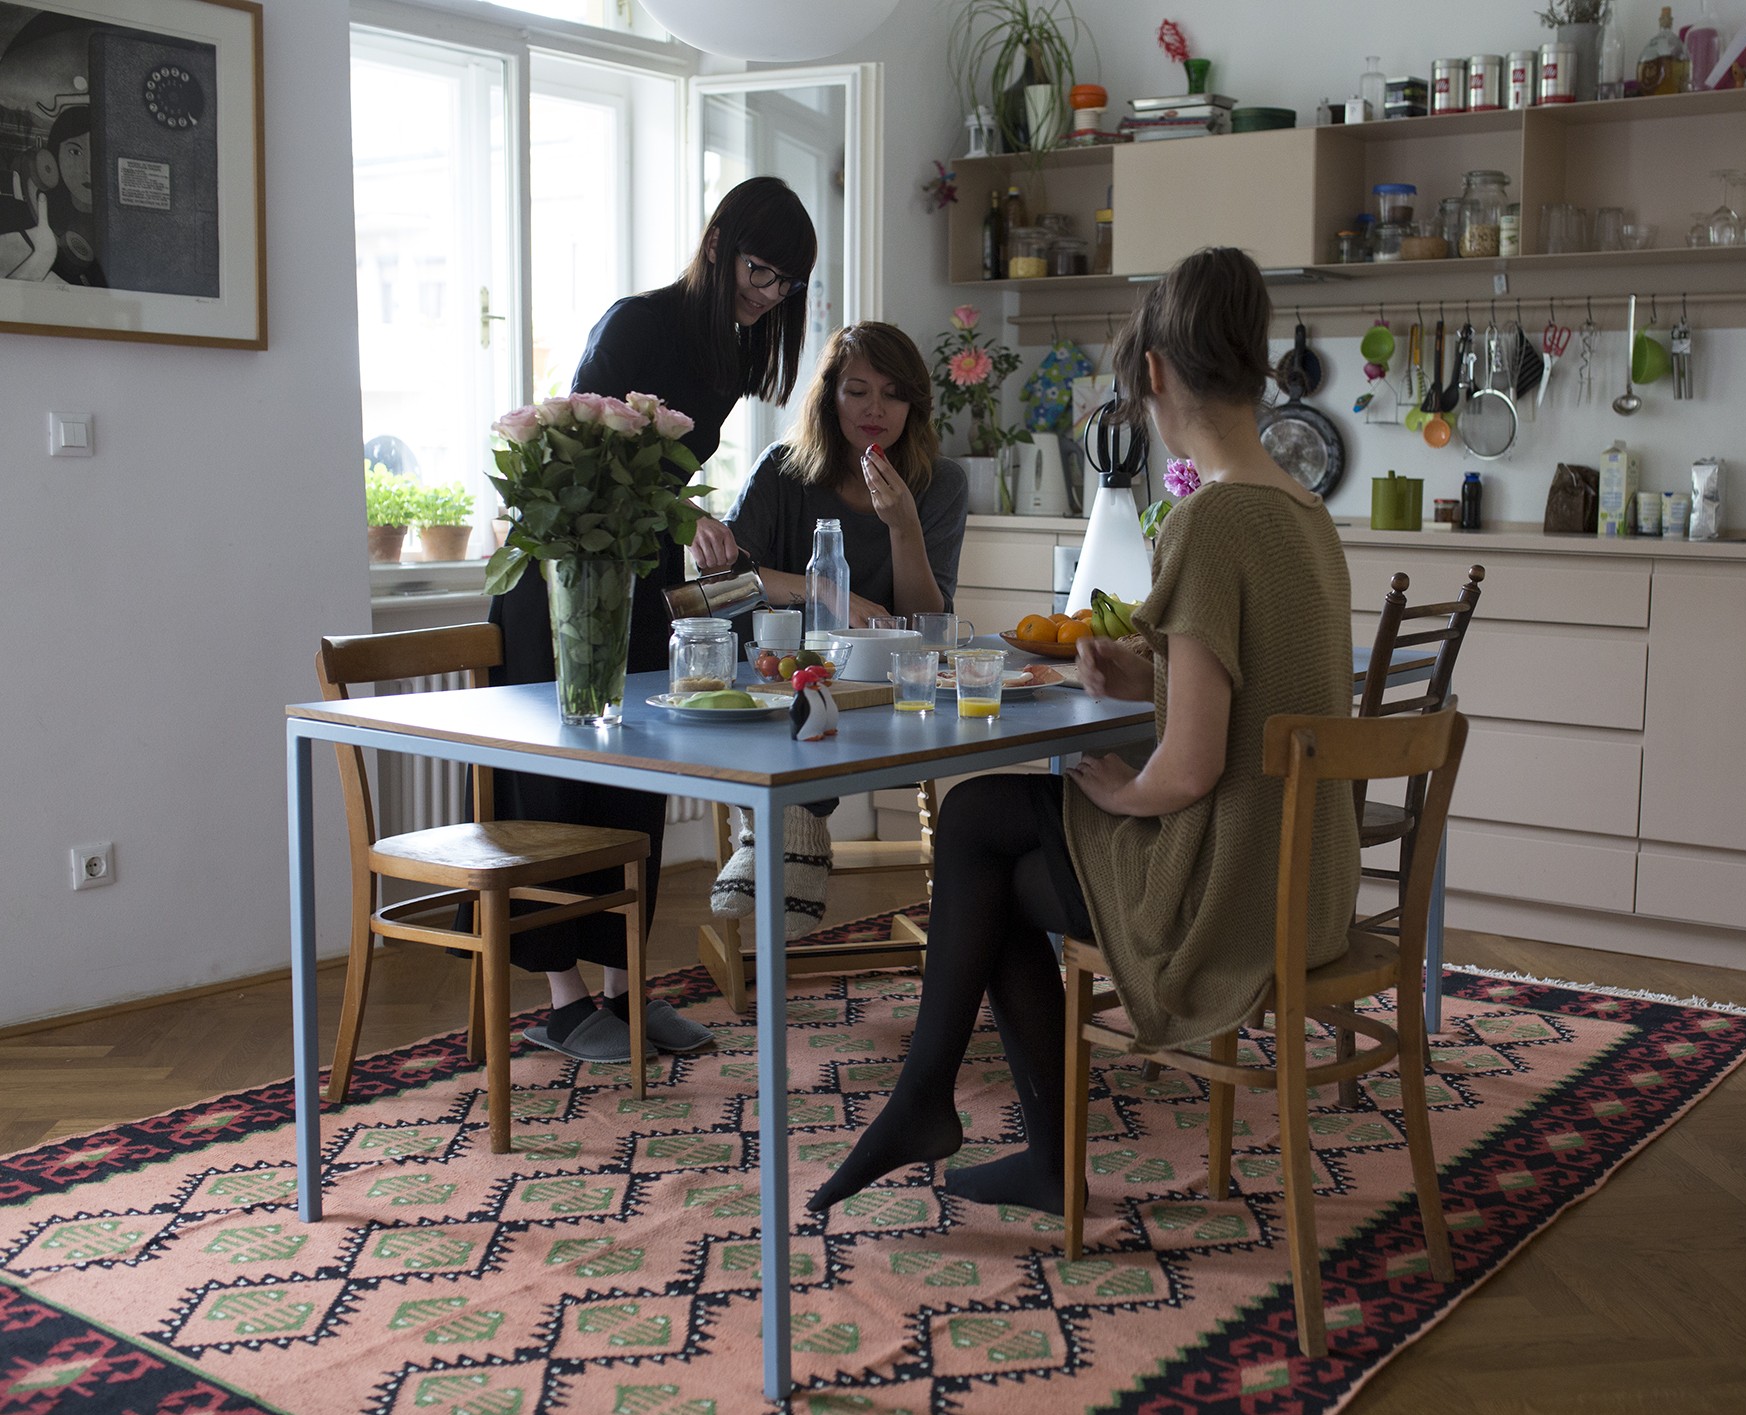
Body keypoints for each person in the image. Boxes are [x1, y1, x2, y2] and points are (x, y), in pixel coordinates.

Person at [807, 247, 1358, 1216]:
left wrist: (1121, 790)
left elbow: (1189, 767)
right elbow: (1258, 683)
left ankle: (954, 1114)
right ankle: (976, 1125)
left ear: (1154, 372)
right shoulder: (1303, 511)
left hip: (1225, 892)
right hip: (1303, 880)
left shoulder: (1210, 520)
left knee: (979, 831)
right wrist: (1151, 671)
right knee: (994, 852)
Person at [487, 175, 816, 1064]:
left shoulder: (734, 355)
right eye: (759, 269)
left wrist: (686, 520)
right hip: (565, 576)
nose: (770, 293)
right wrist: (684, 513)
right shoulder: (637, 323)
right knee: (558, 791)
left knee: (635, 781)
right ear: (717, 245)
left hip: (639, 575)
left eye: (787, 281)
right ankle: (562, 1002)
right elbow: (588, 463)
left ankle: (624, 992)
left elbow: (662, 478)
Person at [695, 321, 969, 933]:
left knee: (822, 701)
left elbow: (930, 628)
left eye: (893, 394)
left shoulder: (941, 482)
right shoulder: (783, 470)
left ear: (914, 406)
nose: (876, 410)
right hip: (776, 675)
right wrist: (825, 590)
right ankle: (789, 840)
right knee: (781, 689)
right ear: (829, 398)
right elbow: (724, 583)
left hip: (883, 689)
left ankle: (774, 841)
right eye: (857, 391)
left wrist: (904, 526)